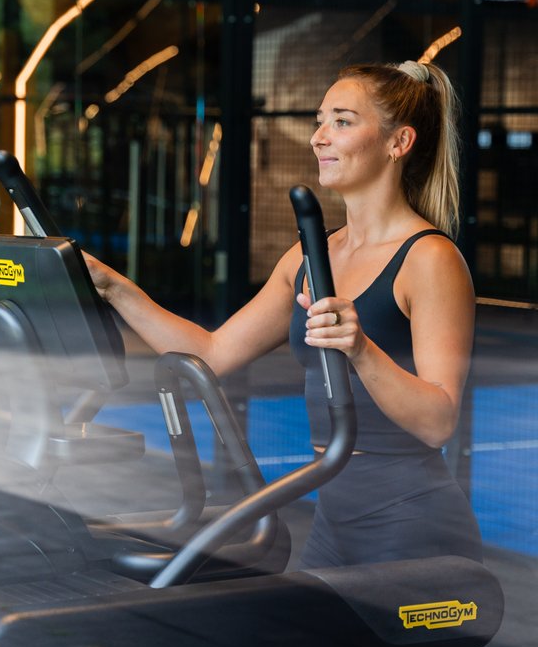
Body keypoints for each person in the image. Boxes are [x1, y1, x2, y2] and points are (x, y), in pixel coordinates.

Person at [84, 55, 483, 568]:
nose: (319, 137)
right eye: (320, 121)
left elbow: (438, 422)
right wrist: (113, 287)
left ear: (398, 142)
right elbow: (212, 353)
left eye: (342, 122)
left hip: (412, 524)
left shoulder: (430, 259)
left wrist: (360, 349)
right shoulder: (308, 256)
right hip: (334, 520)